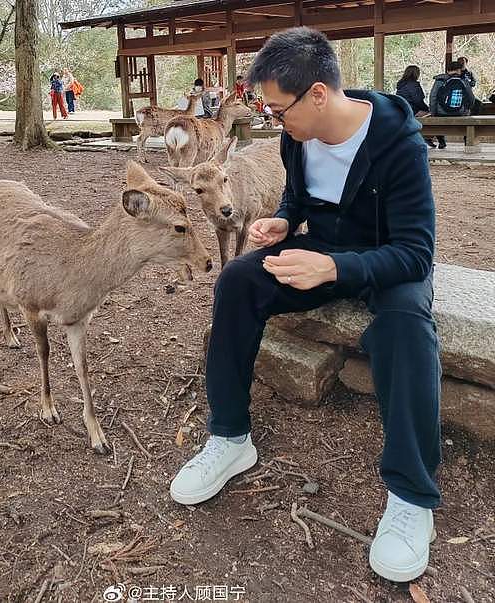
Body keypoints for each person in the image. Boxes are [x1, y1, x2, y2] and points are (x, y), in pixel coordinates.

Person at [170, 27, 441, 584]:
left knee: (405, 326)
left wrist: (337, 268)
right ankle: (229, 438)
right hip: (324, 249)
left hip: (386, 260)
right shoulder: (297, 136)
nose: (274, 120)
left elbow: (415, 252)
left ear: (317, 94)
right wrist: (286, 221)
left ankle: (412, 495)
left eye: (277, 108)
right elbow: (301, 197)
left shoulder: (398, 143)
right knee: (239, 280)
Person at [429, 60, 474, 149]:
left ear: (448, 70)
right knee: (469, 119)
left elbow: (433, 97)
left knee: (437, 121)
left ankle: (441, 141)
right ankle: (466, 140)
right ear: (459, 70)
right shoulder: (463, 81)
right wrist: (467, 110)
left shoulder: (439, 80)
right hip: (460, 112)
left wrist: (433, 113)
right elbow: (471, 98)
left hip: (441, 113)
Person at [395, 65, 436, 148]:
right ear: (416, 74)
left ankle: (427, 137)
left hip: (402, 110)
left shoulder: (400, 85)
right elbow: (418, 101)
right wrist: (428, 109)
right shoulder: (414, 85)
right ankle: (427, 136)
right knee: (432, 115)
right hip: (413, 110)